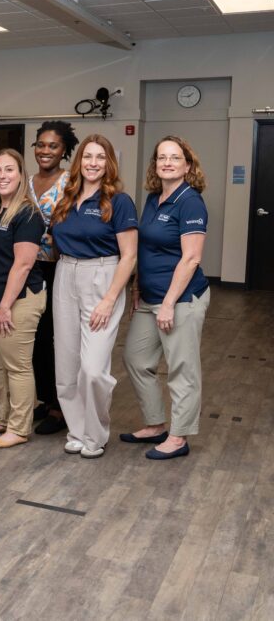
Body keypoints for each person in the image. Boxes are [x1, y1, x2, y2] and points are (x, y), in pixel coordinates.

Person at [50, 135, 138, 459]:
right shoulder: (66, 196)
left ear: (109, 163)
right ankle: (76, 430)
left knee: (92, 368)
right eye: (88, 156)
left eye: (101, 157)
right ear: (79, 161)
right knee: (67, 364)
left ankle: (96, 433)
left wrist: (109, 298)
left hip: (103, 276)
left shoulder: (119, 200)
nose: (93, 163)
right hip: (65, 274)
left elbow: (129, 256)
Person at [122, 136, 209, 460]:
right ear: (155, 165)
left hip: (182, 298)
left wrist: (170, 303)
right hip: (149, 296)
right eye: (162, 158)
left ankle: (178, 436)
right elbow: (145, 248)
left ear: (188, 165)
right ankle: (156, 424)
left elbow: (191, 258)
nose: (167, 163)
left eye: (175, 158)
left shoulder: (191, 202)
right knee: (136, 358)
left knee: (181, 369)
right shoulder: (154, 197)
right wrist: (136, 288)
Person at [0, 149, 46, 449]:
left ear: (21, 175)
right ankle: (3, 417)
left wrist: (5, 305)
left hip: (19, 299)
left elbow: (23, 264)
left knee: (17, 365)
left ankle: (19, 427)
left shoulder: (28, 213)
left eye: (10, 170)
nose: (3, 176)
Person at [28, 121, 78, 436]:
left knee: (56, 339)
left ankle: (61, 408)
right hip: (28, 267)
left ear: (64, 151)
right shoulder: (26, 181)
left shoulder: (71, 181)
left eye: (53, 146)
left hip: (59, 267)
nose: (46, 151)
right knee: (35, 339)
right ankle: (45, 399)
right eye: (41, 145)